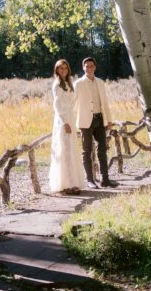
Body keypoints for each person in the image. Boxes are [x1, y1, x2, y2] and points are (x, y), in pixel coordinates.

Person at [74, 56, 117, 188]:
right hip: (85, 121)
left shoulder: (100, 82)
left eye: (91, 66)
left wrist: (109, 120)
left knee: (102, 149)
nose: (89, 68)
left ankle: (105, 179)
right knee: (86, 151)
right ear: (83, 67)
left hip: (100, 119)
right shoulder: (78, 84)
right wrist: (73, 120)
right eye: (86, 66)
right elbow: (73, 104)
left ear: (95, 67)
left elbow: (105, 102)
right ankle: (90, 180)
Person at [48, 59, 86, 195]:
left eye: (65, 68)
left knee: (72, 150)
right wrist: (64, 122)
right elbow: (57, 105)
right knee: (65, 150)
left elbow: (72, 102)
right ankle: (68, 184)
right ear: (57, 70)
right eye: (60, 68)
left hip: (70, 116)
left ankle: (73, 182)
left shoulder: (68, 83)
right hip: (62, 119)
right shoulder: (57, 84)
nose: (63, 70)